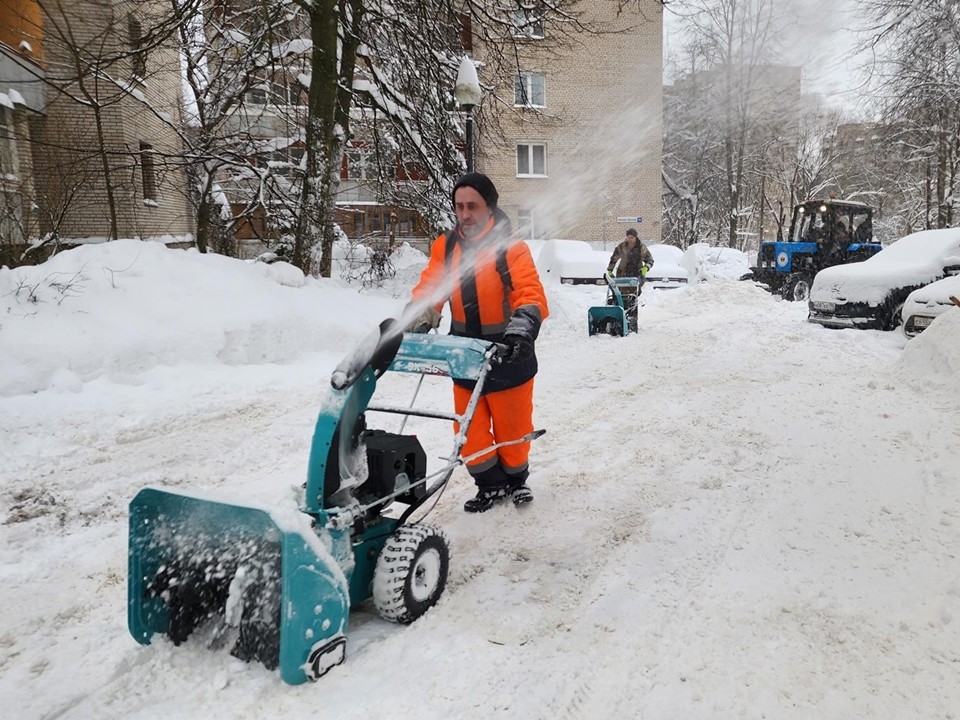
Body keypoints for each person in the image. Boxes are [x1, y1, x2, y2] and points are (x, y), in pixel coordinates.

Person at [406, 172, 549, 513]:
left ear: (490, 207)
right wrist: (416, 318)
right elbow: (431, 288)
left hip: (508, 353)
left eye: (473, 206)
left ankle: (516, 480)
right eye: (459, 207)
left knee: (512, 430)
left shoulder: (511, 248)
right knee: (468, 431)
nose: (465, 214)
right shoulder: (447, 247)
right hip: (463, 355)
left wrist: (522, 329)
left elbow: (530, 292)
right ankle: (490, 486)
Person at [606, 228, 654, 332]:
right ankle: (616, 322)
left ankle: (631, 324)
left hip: (635, 277)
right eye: (628, 237)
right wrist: (610, 270)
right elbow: (614, 258)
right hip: (622, 276)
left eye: (631, 237)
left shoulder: (641, 248)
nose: (629, 239)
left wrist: (645, 268)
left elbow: (650, 260)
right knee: (618, 297)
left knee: (632, 299)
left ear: (635, 237)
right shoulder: (622, 247)